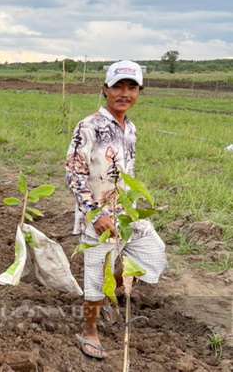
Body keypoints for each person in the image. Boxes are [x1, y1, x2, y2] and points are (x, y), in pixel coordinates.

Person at [65, 60, 167, 359]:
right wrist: (95, 214)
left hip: (125, 213)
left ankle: (112, 291)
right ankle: (88, 331)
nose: (125, 93)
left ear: (139, 92)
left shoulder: (131, 128)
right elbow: (74, 173)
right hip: (97, 215)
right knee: (96, 275)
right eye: (118, 86)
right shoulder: (89, 126)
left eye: (132, 87)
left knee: (155, 256)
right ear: (105, 89)